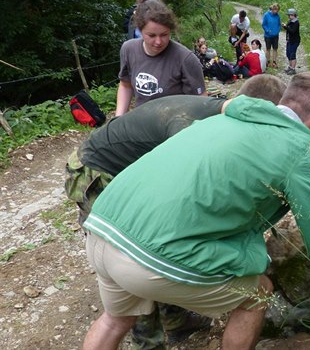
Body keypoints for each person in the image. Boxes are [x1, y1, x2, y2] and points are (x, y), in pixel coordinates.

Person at [80, 72, 310, 350]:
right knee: (258, 293)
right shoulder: (302, 151)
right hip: (148, 257)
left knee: (115, 319)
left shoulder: (221, 118)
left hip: (102, 226)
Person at [65, 75, 287, 350]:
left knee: (148, 260)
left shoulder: (215, 111)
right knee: (139, 254)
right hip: (97, 171)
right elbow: (184, 195)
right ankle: (148, 341)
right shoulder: (189, 126)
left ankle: (176, 320)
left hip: (122, 169)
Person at [115, 0, 206, 117]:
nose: (158, 42)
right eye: (151, 35)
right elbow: (125, 85)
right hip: (142, 122)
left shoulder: (186, 59)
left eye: (164, 34)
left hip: (176, 123)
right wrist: (119, 117)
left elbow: (202, 100)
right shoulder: (129, 49)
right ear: (140, 31)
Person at [262, 3, 281, 68]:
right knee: (268, 49)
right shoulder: (266, 15)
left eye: (277, 10)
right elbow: (264, 24)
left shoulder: (277, 16)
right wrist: (267, 30)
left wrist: (278, 30)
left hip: (275, 35)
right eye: (275, 10)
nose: (276, 11)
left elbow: (279, 24)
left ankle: (274, 62)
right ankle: (268, 62)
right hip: (268, 35)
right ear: (272, 9)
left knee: (275, 49)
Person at [282, 8, 300, 75]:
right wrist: (285, 27)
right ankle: (290, 67)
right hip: (289, 40)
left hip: (294, 41)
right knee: (288, 53)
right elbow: (288, 29)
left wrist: (286, 27)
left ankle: (293, 69)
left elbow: (292, 31)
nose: (288, 16)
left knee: (292, 54)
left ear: (293, 15)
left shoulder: (296, 22)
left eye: (289, 15)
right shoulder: (290, 21)